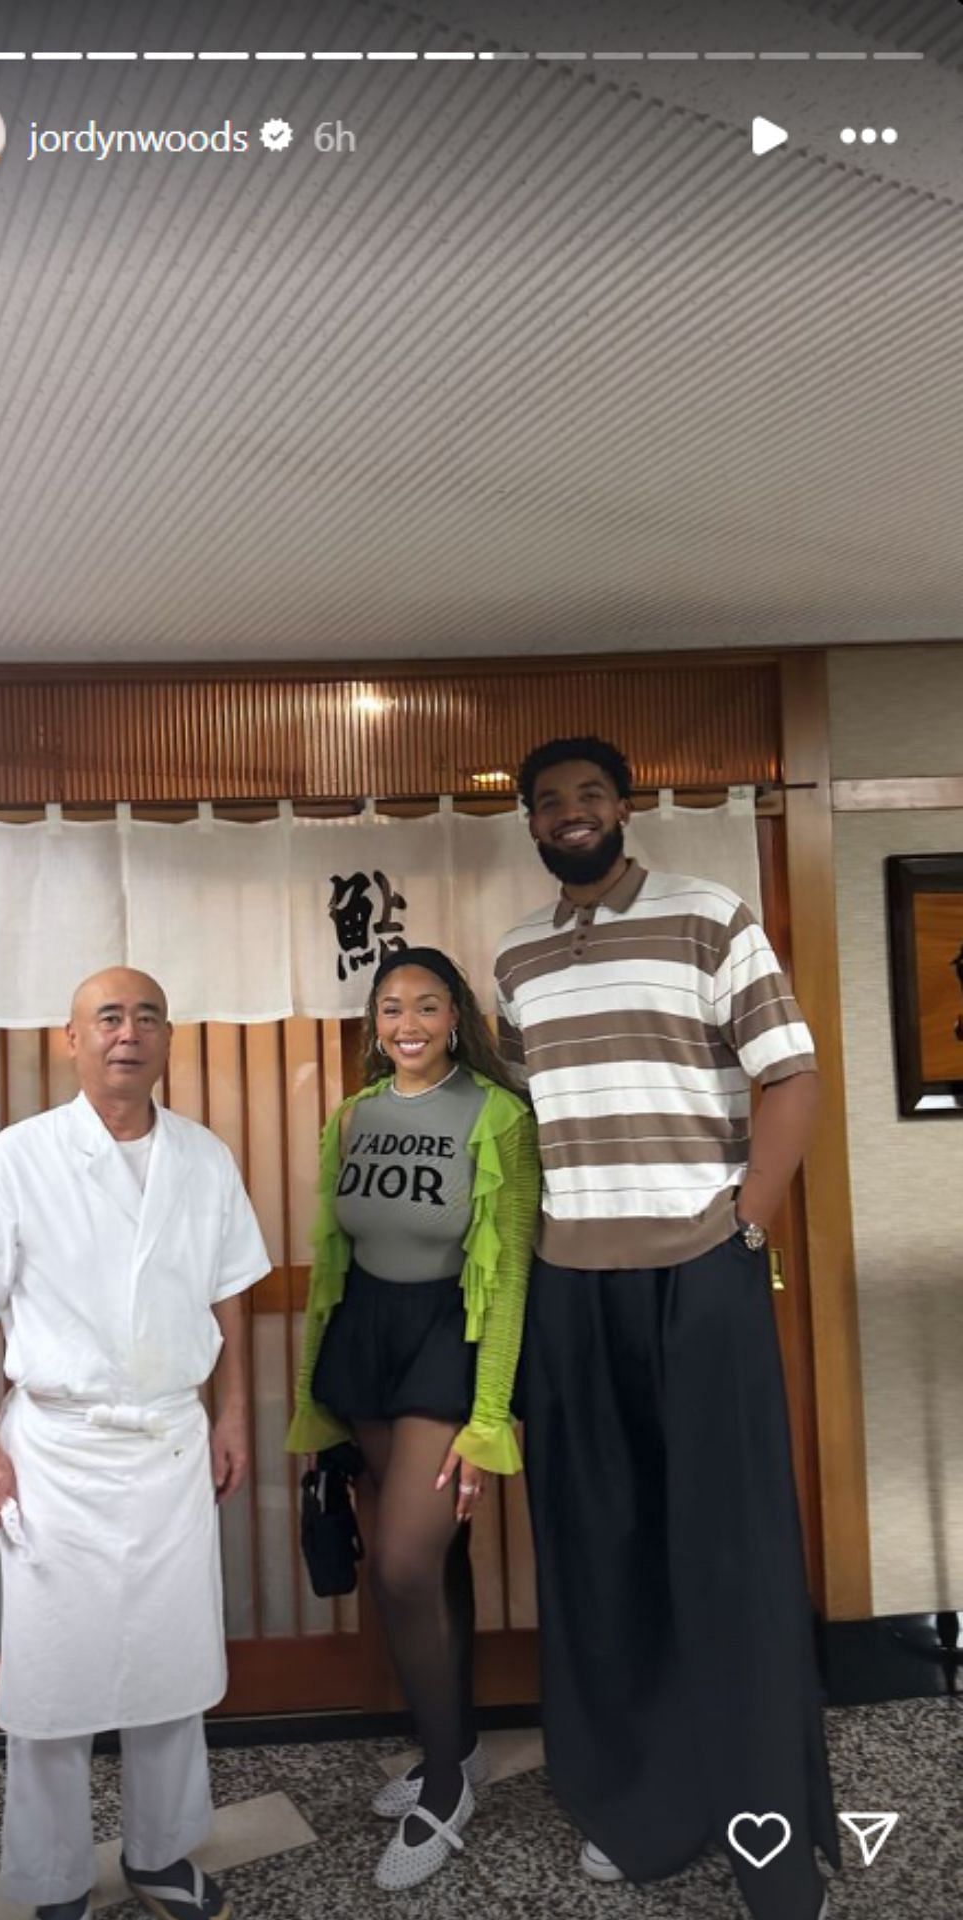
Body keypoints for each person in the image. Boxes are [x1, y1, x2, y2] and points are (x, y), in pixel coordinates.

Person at [495, 738, 837, 1920]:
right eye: (549, 801)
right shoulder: (516, 958)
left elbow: (789, 1076)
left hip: (701, 1268)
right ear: (530, 824)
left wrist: (744, 1225)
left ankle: (773, 1847)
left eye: (590, 794)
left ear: (624, 809)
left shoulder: (710, 915)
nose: (572, 813)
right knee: (601, 1555)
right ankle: (639, 1811)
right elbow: (539, 1111)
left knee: (726, 1552)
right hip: (570, 1289)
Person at [0, 968, 270, 1920]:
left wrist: (231, 1417)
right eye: (107, 1017)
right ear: (70, 1040)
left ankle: (159, 1855)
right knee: (51, 1680)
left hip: (170, 1441)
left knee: (171, 1665)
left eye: (148, 1015)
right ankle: (53, 1875)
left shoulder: (203, 1157)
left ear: (167, 1038)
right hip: (56, 1451)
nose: (127, 1032)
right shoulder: (15, 1159)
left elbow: (230, 1293)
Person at [286, 947, 538, 1892]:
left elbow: (509, 1270)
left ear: (455, 1015)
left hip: (449, 1338)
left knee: (398, 1562)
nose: (408, 1023)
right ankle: (459, 1746)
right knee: (433, 1560)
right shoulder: (352, 1115)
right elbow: (330, 1247)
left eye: (427, 1005)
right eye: (392, 1007)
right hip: (367, 1340)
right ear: (374, 1022)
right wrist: (318, 1382)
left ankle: (442, 1790)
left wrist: (489, 1415)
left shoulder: (498, 1114)